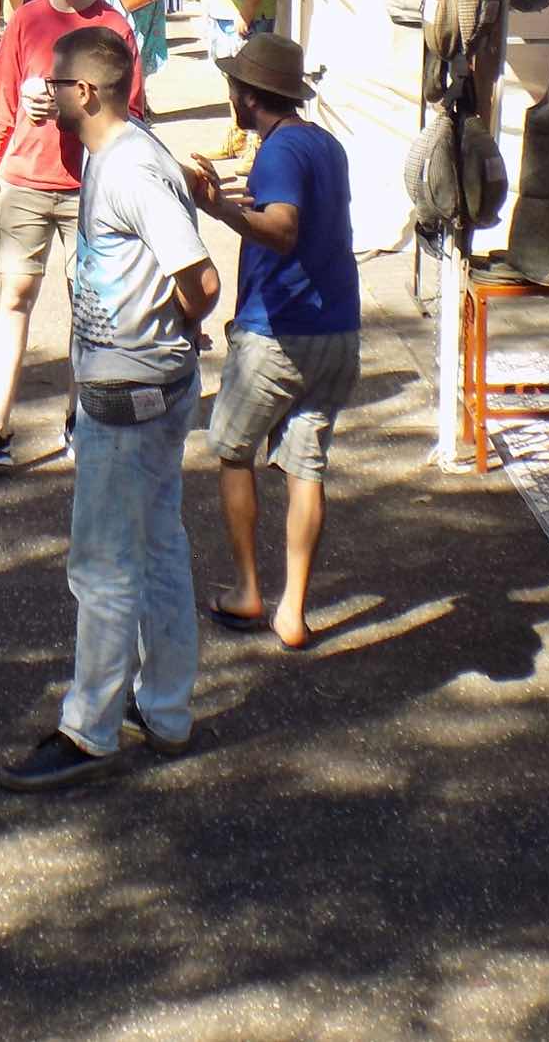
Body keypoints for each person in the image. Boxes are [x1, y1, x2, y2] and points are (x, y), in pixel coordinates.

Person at [0, 26, 216, 792]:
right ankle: (164, 710)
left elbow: (201, 276)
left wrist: (180, 326)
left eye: (55, 83)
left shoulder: (128, 168)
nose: (45, 93)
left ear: (85, 92)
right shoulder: (114, 153)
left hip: (132, 390)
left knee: (102, 564)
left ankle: (90, 728)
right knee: (158, 544)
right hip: (135, 381)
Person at [0, 0, 146, 470]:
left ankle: (81, 415)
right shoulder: (28, 20)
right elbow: (0, 105)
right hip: (28, 185)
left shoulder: (113, 26)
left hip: (92, 190)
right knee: (14, 299)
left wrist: (70, 109)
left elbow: (136, 115)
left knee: (90, 306)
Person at [187, 34, 359, 652]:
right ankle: (294, 611)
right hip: (337, 330)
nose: (229, 95)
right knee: (306, 463)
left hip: (279, 331)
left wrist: (219, 208)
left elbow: (282, 230)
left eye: (234, 87)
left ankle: (248, 590)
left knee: (234, 451)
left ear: (251, 96)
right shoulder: (323, 144)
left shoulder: (280, 151)